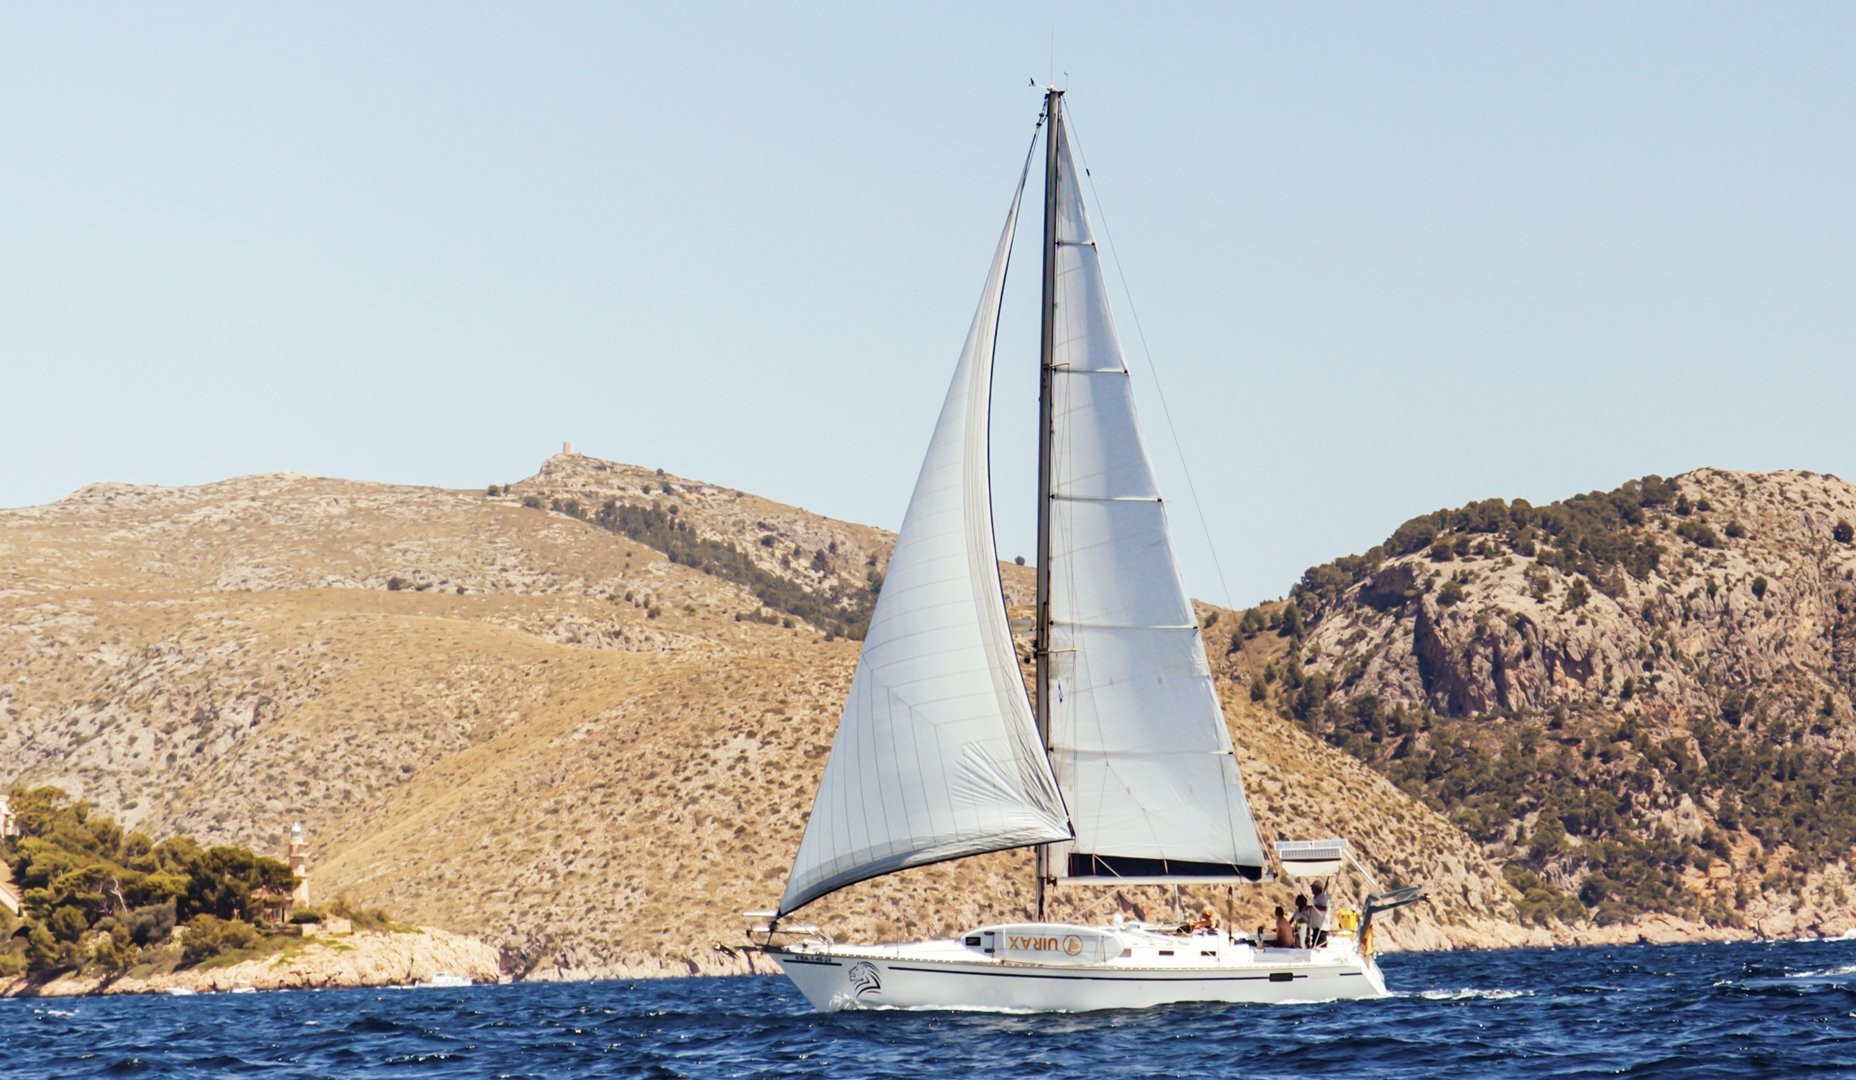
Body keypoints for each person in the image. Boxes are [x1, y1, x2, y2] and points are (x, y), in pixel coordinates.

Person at [1311, 882, 1331, 947]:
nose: (1311, 890)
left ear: (1317, 889)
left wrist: (1313, 907)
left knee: (1320, 949)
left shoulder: (1323, 897)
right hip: (1317, 927)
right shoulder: (1317, 897)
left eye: (1312, 888)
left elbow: (1325, 908)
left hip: (1321, 928)